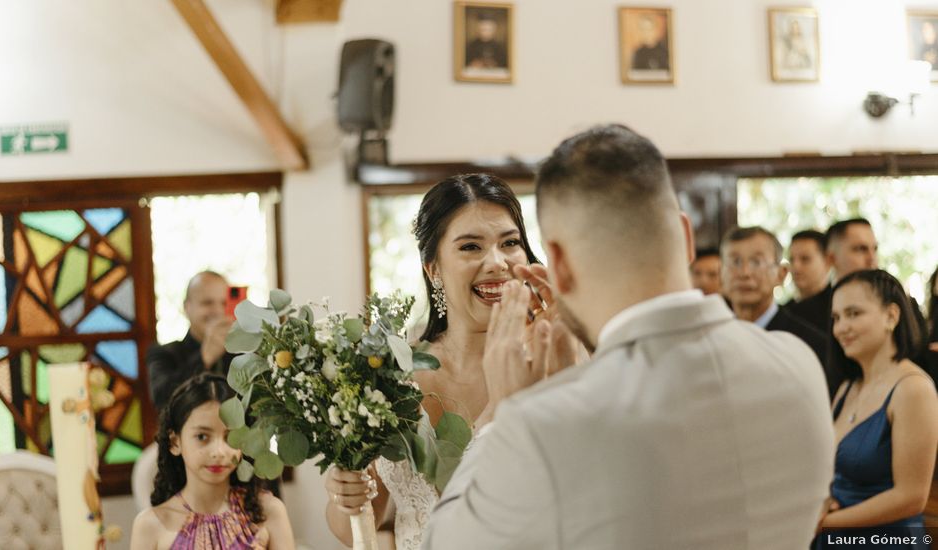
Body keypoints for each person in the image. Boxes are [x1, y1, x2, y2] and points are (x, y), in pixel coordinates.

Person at [423, 124, 835, 549]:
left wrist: (506, 418)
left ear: (558, 263)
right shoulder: (799, 363)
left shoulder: (546, 424)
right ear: (686, 236)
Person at [323, 174, 572, 550]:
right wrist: (345, 497)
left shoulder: (554, 364)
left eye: (510, 243)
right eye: (471, 246)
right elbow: (367, 528)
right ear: (433, 268)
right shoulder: (390, 378)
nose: (497, 263)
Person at [814, 270, 938, 548]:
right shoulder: (849, 386)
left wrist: (822, 523)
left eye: (854, 313)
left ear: (891, 316)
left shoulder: (913, 388)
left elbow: (911, 497)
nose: (841, 327)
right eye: (836, 318)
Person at [130, 372, 294, 549]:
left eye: (230, 437)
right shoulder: (150, 526)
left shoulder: (269, 511)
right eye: (202, 437)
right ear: (175, 442)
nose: (218, 452)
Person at [721, 226, 827, 367]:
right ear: (720, 273)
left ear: (781, 274)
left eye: (756, 262)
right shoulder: (713, 337)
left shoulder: (809, 344)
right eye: (735, 262)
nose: (744, 273)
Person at [147, 271, 235, 410]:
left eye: (224, 303)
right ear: (187, 307)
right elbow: (163, 399)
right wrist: (204, 358)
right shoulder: (163, 354)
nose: (218, 311)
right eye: (207, 303)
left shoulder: (243, 355)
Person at [787, 229, 831, 304]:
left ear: (827, 261)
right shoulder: (785, 311)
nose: (795, 267)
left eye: (805, 259)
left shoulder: (838, 306)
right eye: (791, 260)